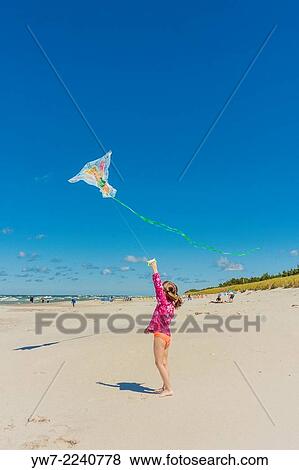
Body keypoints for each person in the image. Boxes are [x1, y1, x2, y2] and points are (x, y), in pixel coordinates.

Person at [144, 258, 182, 397]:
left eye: (162, 292)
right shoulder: (171, 305)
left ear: (165, 293)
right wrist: (150, 328)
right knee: (164, 363)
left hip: (160, 336)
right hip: (167, 336)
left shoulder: (163, 302)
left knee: (159, 363)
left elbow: (158, 287)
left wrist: (154, 268)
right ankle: (165, 386)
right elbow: (160, 319)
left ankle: (169, 388)